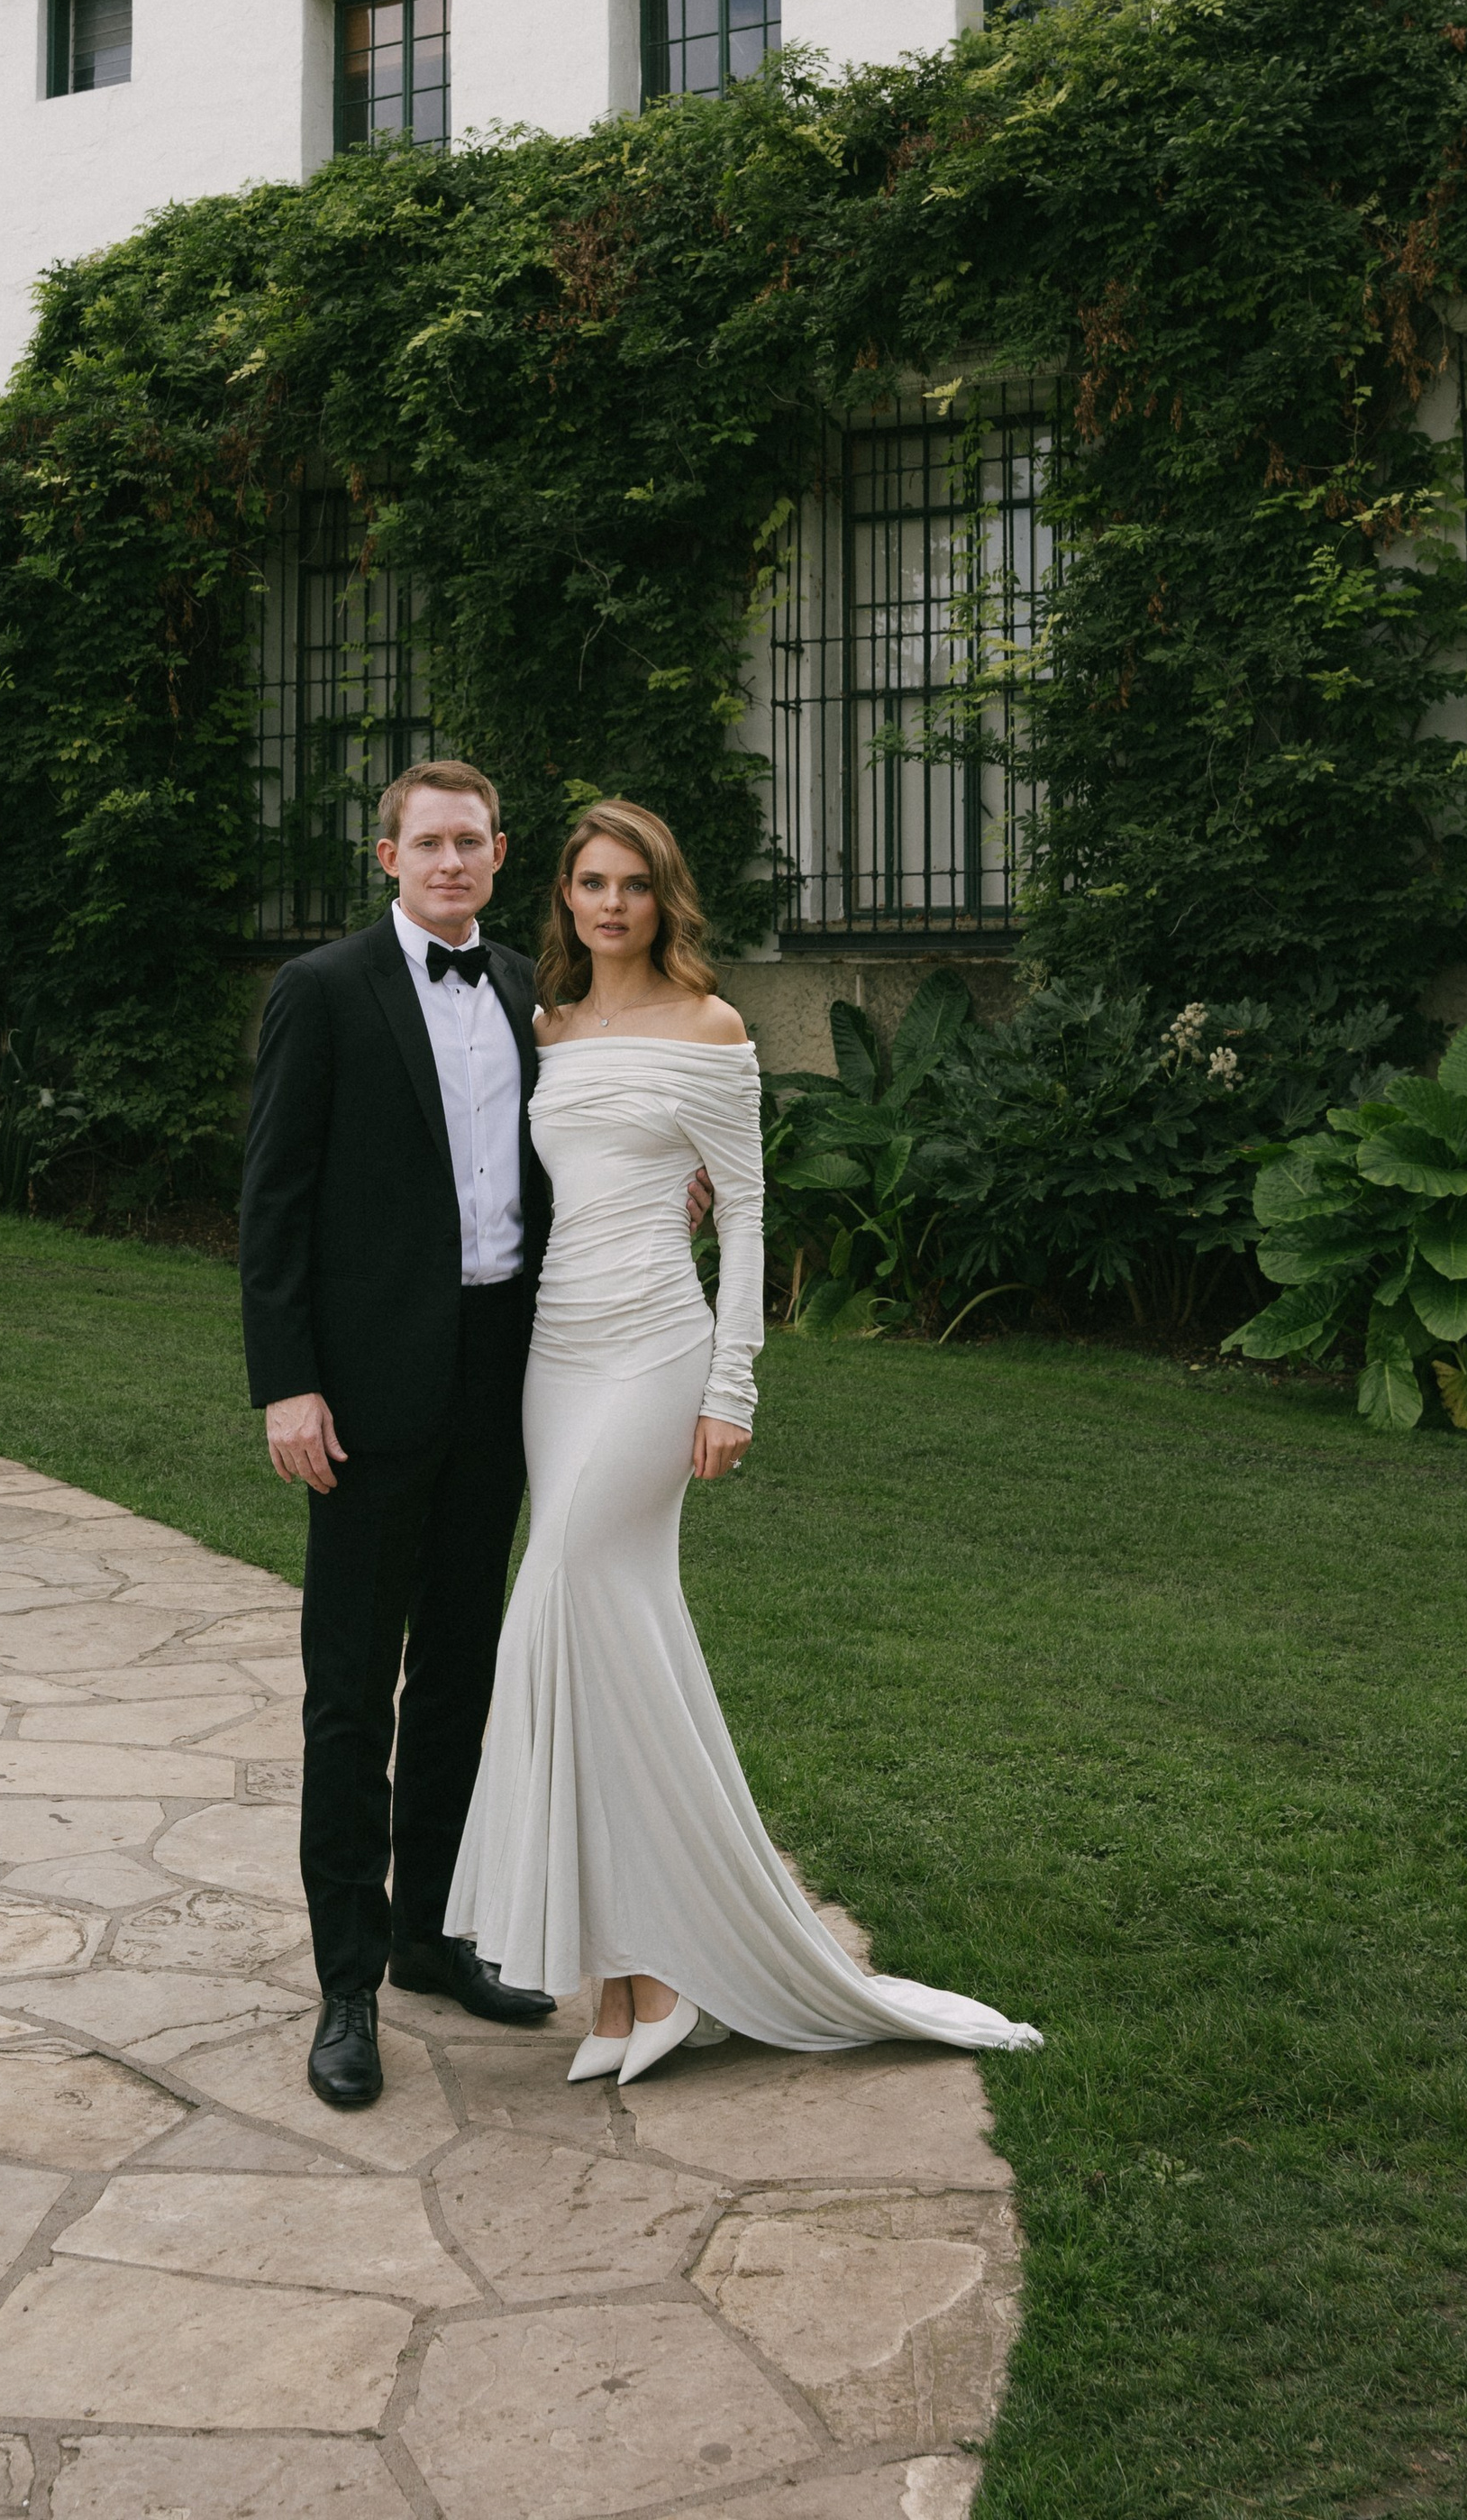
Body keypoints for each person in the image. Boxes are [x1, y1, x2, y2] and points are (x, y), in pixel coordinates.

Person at [445, 798, 1043, 2080]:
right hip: (556, 1355)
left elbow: (751, 1217)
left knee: (552, 1604)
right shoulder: (543, 1028)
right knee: (601, 1648)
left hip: (659, 1351)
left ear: (666, 899)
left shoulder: (711, 1029)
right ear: (563, 899)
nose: (611, 904)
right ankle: (625, 1984)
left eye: (635, 885)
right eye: (590, 884)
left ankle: (667, 1972)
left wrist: (734, 1391)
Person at [238, 760, 711, 2112]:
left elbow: (576, 1168)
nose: (449, 862)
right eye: (425, 842)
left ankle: (433, 1937)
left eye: (471, 843)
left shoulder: (529, 997)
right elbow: (272, 1208)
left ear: (502, 858)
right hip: (367, 1397)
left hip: (512, 1386)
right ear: (386, 855)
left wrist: (655, 1203)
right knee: (351, 1686)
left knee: (458, 1674)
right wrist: (289, 1384)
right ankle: (345, 1982)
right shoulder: (322, 994)